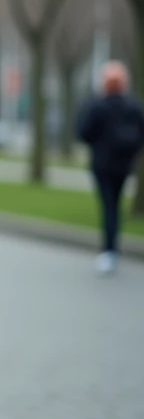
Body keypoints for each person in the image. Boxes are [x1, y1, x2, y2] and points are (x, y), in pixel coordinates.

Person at [78, 60, 144, 275]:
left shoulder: (98, 106)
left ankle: (109, 250)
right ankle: (112, 247)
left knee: (108, 206)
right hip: (124, 165)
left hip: (103, 165)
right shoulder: (133, 106)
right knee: (114, 204)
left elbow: (83, 132)